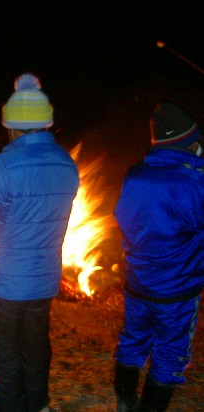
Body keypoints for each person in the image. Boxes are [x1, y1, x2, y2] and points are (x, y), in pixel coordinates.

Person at [0, 73, 79, 412]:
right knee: (36, 346)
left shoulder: (5, 165)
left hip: (5, 281)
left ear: (12, 127)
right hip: (43, 278)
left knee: (6, 353)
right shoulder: (67, 164)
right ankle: (39, 404)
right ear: (46, 125)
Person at [113, 102, 204, 412]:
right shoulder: (194, 182)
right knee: (169, 354)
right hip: (176, 292)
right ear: (186, 141)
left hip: (137, 284)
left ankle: (125, 403)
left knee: (132, 340)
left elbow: (126, 219)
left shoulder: (134, 175)